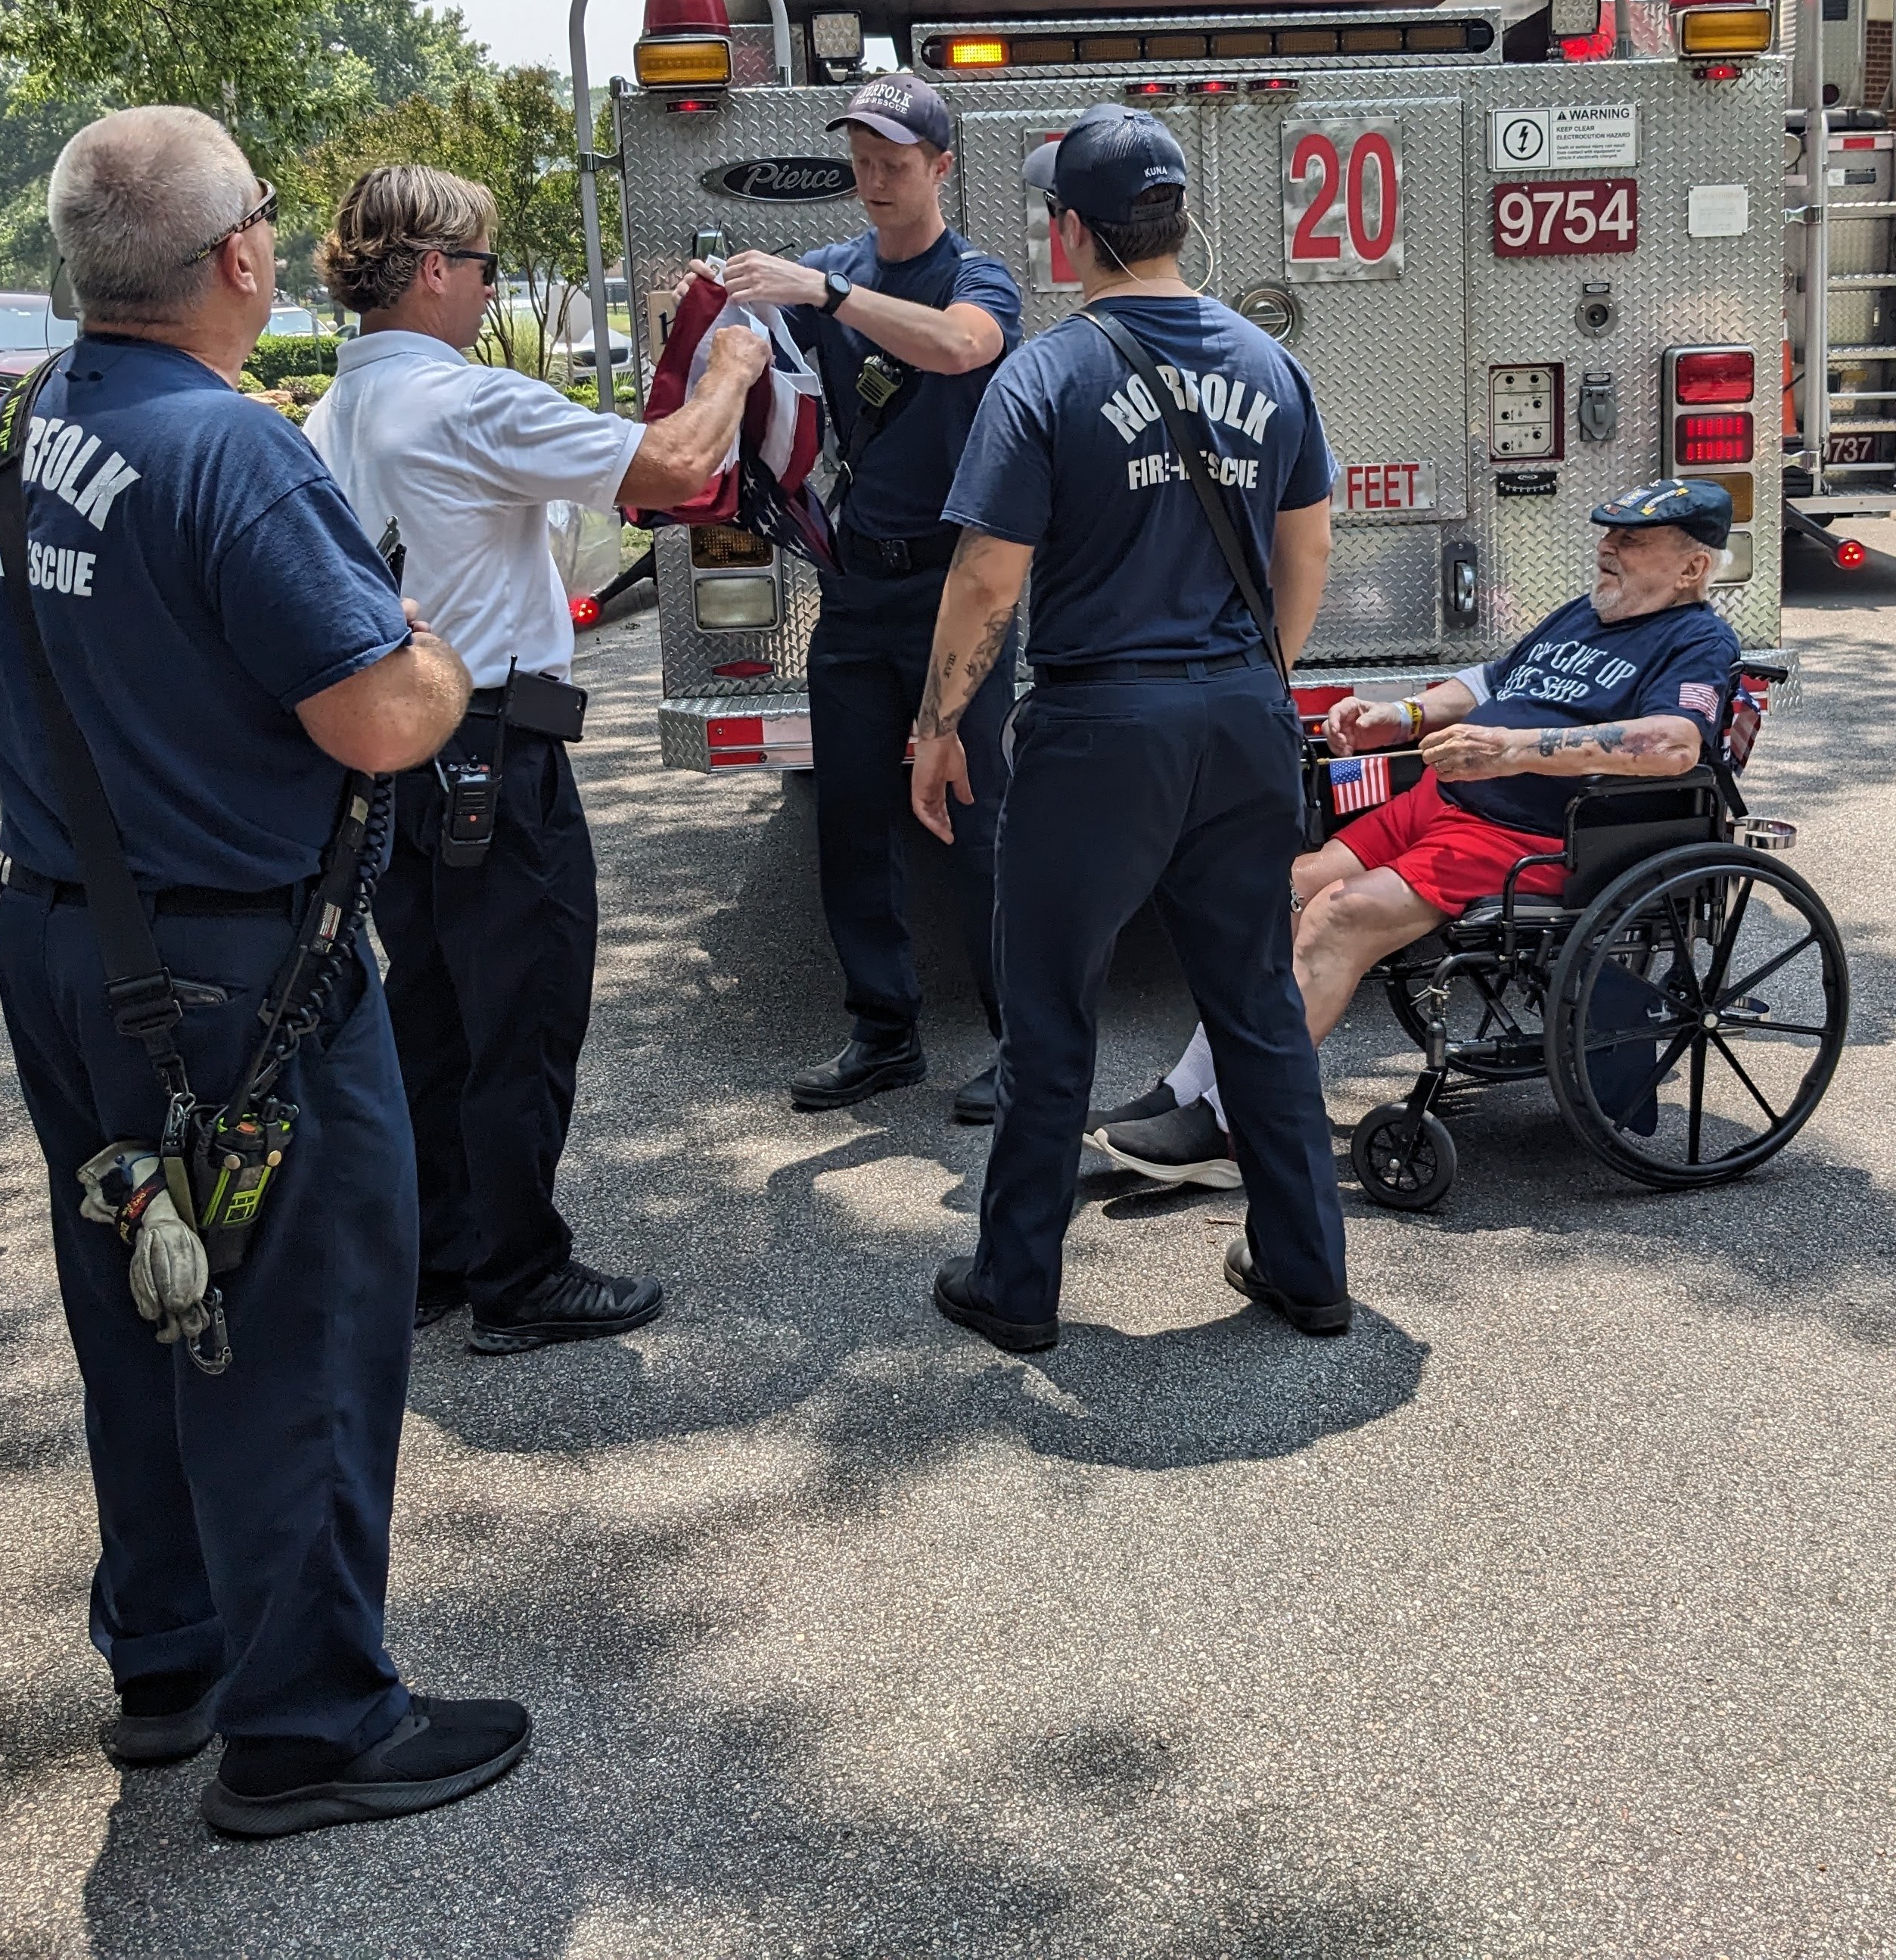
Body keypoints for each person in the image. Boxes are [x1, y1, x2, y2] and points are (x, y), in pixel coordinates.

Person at [0, 105, 518, 1838]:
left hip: (68, 940)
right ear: (238, 258)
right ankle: (310, 1725)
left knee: (141, 1295)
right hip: (239, 973)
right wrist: (427, 654)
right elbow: (376, 712)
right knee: (296, 1328)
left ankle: (170, 1650)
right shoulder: (234, 452)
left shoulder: (22, 430)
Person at [908, 100, 1346, 1351]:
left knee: (1052, 1010)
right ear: (1178, 220)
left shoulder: (1044, 373)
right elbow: (1305, 541)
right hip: (1241, 716)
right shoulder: (1271, 363)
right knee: (1254, 995)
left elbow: (990, 577)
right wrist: (1259, 672)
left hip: (1102, 724)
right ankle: (1308, 1268)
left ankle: (1015, 1284)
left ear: (1068, 235)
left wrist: (941, 719)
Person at [309, 163, 763, 1354]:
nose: (488, 290)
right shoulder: (467, 403)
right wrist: (729, 369)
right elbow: (675, 466)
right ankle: (520, 1274)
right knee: (522, 1014)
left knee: (433, 1016)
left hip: (393, 755)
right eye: (487, 268)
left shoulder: (334, 413)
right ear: (436, 271)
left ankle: (436, 1252)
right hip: (489, 754)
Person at [1093, 487, 1745, 1187]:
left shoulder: (1696, 641)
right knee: (1275, 890)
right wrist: (1401, 716)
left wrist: (1515, 751)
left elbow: (1675, 745)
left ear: (1692, 569)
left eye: (1635, 541)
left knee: (1338, 917)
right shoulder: (1583, 615)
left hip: (1528, 837)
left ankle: (1230, 1125)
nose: (1608, 548)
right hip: (1442, 800)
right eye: (1608, 534)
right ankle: (1190, 1086)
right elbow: (1489, 681)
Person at [713, 75, 1024, 1123]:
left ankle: (1019, 1043)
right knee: (850, 815)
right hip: (856, 585)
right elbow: (763, 366)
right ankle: (883, 1032)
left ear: (941, 168)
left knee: (977, 819)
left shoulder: (975, 274)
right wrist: (714, 311)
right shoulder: (829, 269)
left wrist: (827, 297)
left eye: (897, 161)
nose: (876, 179)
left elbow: (963, 348)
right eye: (863, 159)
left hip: (956, 589)